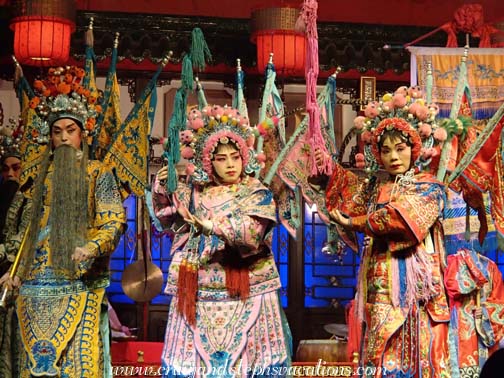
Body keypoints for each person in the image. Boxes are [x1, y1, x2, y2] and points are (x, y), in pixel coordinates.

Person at [0, 66, 126, 377]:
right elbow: (24, 230)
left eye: (70, 130)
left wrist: (91, 246)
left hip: (79, 283)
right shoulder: (36, 178)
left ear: (82, 133)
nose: (64, 137)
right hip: (33, 286)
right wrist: (13, 267)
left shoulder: (99, 173)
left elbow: (113, 221)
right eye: (58, 132)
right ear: (50, 136)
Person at [151, 105, 291, 376]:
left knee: (249, 360)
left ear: (244, 158)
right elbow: (168, 218)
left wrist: (211, 226)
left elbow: (252, 233)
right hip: (198, 289)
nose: (230, 164)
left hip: (247, 287)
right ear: (208, 162)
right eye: (221, 158)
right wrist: (162, 187)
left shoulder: (256, 192)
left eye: (235, 157)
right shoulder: (195, 193)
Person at [324, 107, 452, 376]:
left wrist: (356, 223)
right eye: (385, 150)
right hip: (378, 286)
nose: (393, 157)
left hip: (417, 290)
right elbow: (346, 203)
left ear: (415, 148)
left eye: (401, 148)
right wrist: (325, 174)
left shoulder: (428, 187)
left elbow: (399, 221)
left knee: (419, 356)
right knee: (379, 356)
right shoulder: (373, 188)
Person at [0, 124, 29, 378]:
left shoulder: (29, 198)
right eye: (5, 168)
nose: (10, 173)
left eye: (16, 168)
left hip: (19, 279)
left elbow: (28, 237)